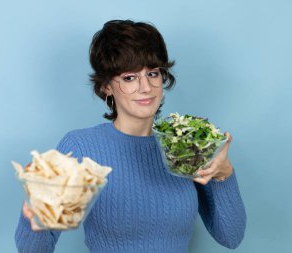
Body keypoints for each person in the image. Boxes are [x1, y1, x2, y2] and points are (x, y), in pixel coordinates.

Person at [15, 19, 246, 253]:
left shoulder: (185, 145)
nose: (145, 87)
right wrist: (37, 215)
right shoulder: (81, 147)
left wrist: (224, 175)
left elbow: (231, 237)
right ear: (106, 86)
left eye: (153, 73)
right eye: (129, 78)